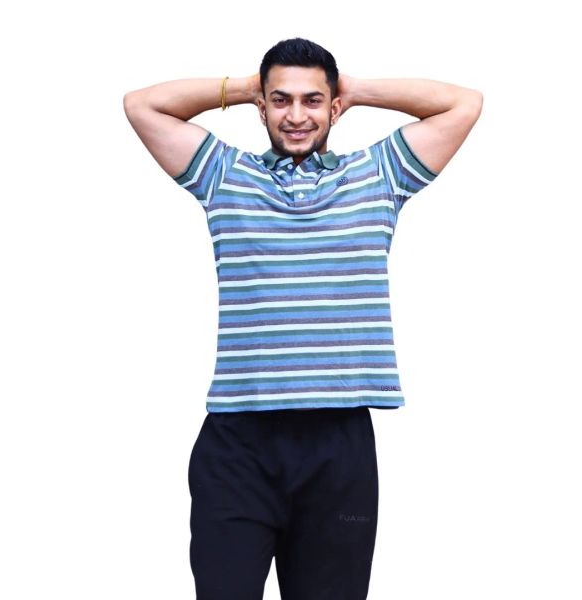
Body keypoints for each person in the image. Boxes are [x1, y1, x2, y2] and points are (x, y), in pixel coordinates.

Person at [123, 38, 482, 600]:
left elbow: (464, 104)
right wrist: (248, 87)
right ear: (262, 107)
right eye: (280, 100)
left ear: (334, 107)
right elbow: (142, 105)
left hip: (338, 448)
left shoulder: (378, 175)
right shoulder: (225, 175)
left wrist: (353, 89)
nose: (296, 115)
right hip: (238, 445)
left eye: (313, 100)